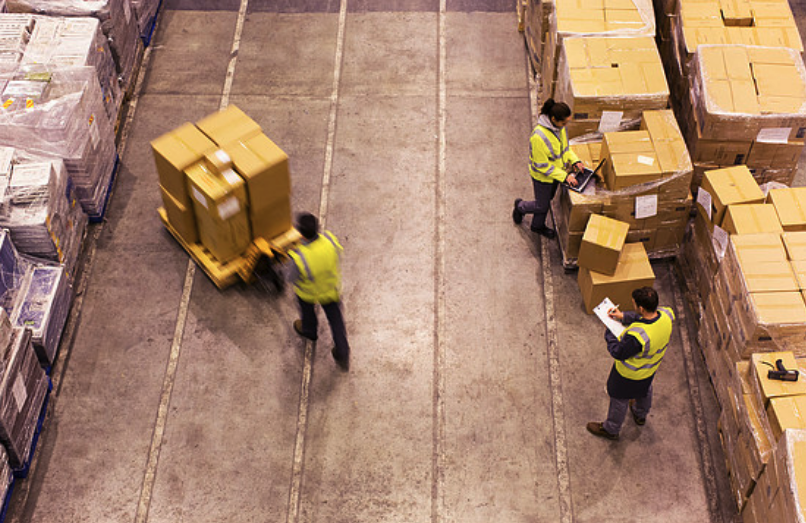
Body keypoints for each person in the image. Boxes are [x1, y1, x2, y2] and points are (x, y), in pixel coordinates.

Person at [587, 287, 675, 441]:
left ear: (641, 308)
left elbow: (618, 352)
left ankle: (611, 429)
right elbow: (643, 318)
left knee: (619, 399)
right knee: (645, 390)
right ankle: (640, 415)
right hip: (649, 370)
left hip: (628, 375)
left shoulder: (638, 337)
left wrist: (609, 330)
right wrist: (623, 316)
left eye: (634, 304)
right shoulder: (666, 315)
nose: (633, 306)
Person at [512, 98, 585, 239]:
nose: (566, 125)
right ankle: (520, 206)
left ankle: (537, 226)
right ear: (553, 119)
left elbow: (565, 150)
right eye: (564, 122)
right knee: (541, 205)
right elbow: (542, 166)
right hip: (543, 177)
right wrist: (565, 176)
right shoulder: (538, 137)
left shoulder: (560, 129)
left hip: (556, 175)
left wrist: (575, 161)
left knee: (546, 201)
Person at [288, 212, 351, 371]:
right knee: (336, 321)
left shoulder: (299, 257)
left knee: (307, 312)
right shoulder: (329, 240)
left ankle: (309, 331)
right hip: (330, 291)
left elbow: (290, 278)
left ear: (301, 234)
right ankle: (342, 352)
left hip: (309, 295)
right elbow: (339, 253)